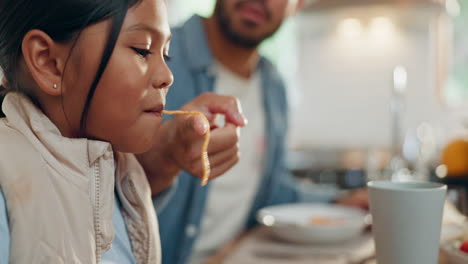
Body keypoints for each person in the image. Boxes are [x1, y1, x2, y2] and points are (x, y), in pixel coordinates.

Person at [0, 0, 245, 263]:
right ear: (48, 62)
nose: (167, 75)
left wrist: (167, 155)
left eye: (167, 54)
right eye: (143, 50)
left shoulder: (123, 176)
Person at [150, 0, 369, 263]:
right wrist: (166, 154)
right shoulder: (154, 53)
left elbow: (270, 190)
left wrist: (339, 202)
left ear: (298, 5)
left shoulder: (273, 86)